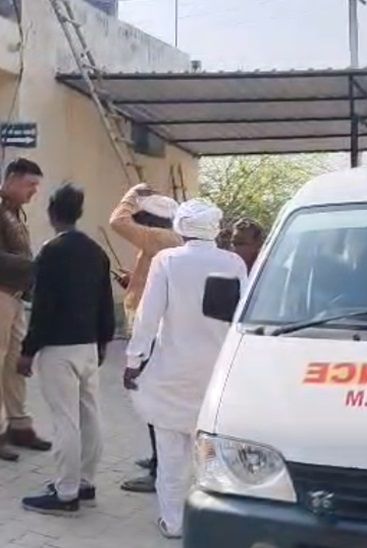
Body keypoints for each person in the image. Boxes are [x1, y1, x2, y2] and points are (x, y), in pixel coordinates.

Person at [123, 199, 247, 539]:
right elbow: (241, 318)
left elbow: (148, 317)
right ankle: (211, 521)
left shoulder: (167, 260)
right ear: (214, 228)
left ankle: (173, 522)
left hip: (171, 371)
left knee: (170, 454)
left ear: (180, 227)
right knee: (210, 454)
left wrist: (133, 361)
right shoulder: (233, 262)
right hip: (216, 376)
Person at [17, 183, 115, 516]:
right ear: (79, 212)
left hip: (58, 348)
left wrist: (28, 350)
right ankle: (85, 483)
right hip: (88, 346)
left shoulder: (51, 251)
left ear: (51, 212)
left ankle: (65, 493)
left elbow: (43, 307)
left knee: (65, 421)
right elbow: (105, 304)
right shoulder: (97, 252)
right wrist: (103, 342)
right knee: (90, 415)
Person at [110, 183, 181, 493]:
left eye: (142, 220)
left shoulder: (162, 238)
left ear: (153, 221)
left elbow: (118, 221)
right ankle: (158, 459)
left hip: (153, 333)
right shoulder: (161, 242)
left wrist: (133, 194)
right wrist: (133, 281)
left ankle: (159, 469)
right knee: (152, 402)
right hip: (155, 329)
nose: (138, 225)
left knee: (153, 401)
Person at [0, 158, 51, 462]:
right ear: (12, 180)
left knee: (15, 364)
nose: (34, 191)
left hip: (15, 297)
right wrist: (34, 266)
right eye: (30, 184)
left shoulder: (14, 211)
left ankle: (19, 425)